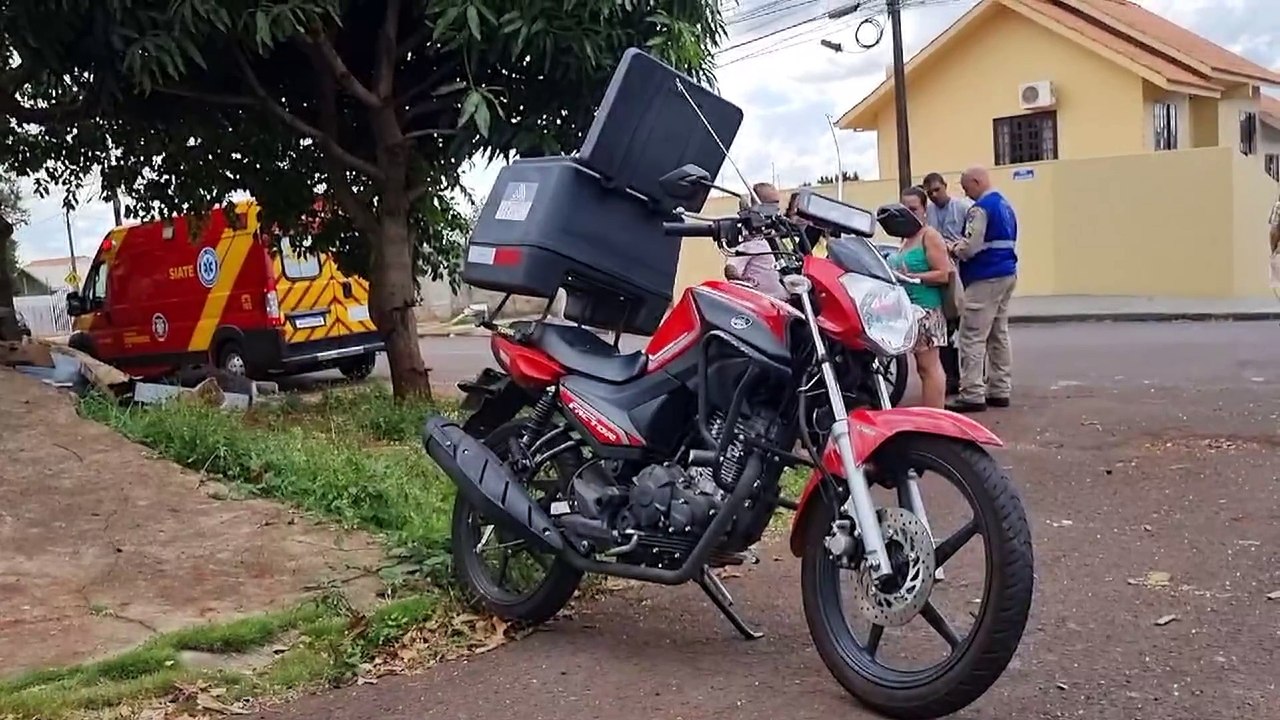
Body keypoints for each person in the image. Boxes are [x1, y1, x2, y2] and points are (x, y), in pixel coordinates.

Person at [944, 166, 1018, 413]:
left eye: (967, 188)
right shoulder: (1005, 205)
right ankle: (1000, 389)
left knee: (972, 336)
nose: (966, 194)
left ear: (976, 181)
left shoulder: (981, 209)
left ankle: (972, 393)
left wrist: (953, 249)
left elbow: (971, 246)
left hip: (985, 275)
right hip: (1006, 272)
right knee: (998, 334)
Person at [888, 186, 952, 409]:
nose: (909, 213)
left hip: (927, 309)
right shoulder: (906, 239)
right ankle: (931, 414)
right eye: (904, 209)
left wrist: (913, 276)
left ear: (925, 210)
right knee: (922, 368)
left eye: (913, 208)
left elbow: (943, 273)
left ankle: (935, 416)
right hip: (911, 310)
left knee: (930, 366)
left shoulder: (929, 235)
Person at [921, 172, 972, 395]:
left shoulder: (962, 208)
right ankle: (951, 380)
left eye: (936, 190)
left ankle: (973, 379)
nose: (933, 195)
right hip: (940, 278)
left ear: (945, 186)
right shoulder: (928, 213)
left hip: (960, 275)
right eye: (929, 192)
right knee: (945, 336)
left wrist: (954, 247)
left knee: (968, 333)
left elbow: (971, 238)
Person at [723, 183, 787, 300]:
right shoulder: (749, 241)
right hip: (765, 304)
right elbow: (731, 268)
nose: (777, 208)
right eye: (772, 203)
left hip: (785, 302)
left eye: (777, 203)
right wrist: (748, 287)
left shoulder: (772, 236)